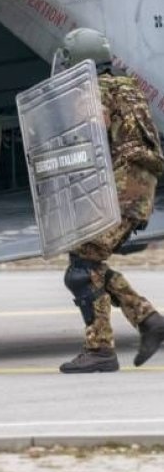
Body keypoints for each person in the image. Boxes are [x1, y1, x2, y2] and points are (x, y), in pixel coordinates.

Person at [52, 29, 164, 373]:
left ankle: (99, 349)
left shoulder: (91, 91)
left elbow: (89, 139)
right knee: (89, 261)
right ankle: (148, 321)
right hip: (139, 189)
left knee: (81, 271)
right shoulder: (127, 87)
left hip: (121, 188)